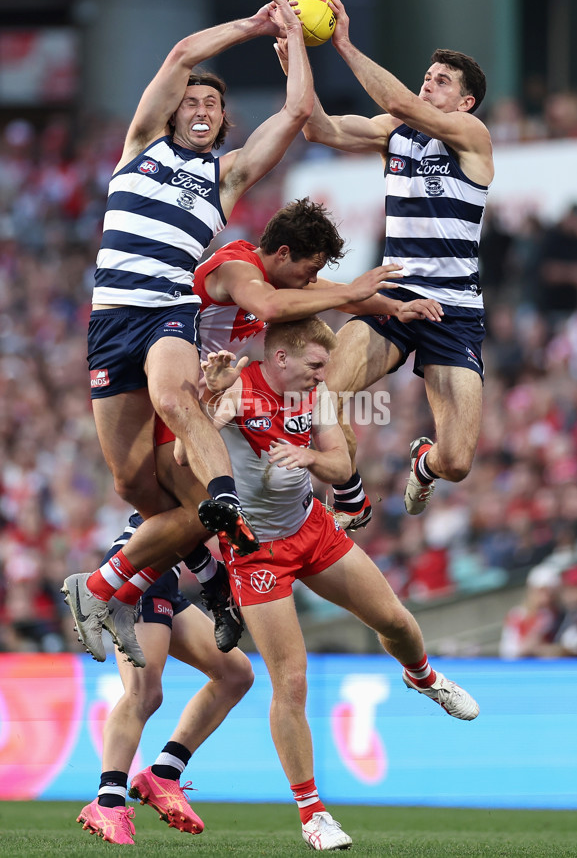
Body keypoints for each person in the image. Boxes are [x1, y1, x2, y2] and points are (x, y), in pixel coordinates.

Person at [61, 0, 318, 664]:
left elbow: (294, 115)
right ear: (175, 112)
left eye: (214, 104)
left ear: (223, 122)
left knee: (176, 395)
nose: (202, 108)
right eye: (195, 101)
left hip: (168, 308)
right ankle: (202, 575)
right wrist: (254, 24)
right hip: (113, 315)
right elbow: (178, 55)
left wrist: (295, 41)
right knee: (133, 485)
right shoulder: (139, 145)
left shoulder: (223, 178)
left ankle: (223, 504)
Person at [69, 198, 443, 668]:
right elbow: (275, 302)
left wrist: (394, 306)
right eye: (309, 270)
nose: (311, 281)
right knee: (200, 513)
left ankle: (166, 587)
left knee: (327, 423)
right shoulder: (236, 269)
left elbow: (339, 295)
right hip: (190, 401)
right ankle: (106, 587)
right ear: (282, 254)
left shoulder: (281, 280)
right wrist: (350, 292)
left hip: (227, 400)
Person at [202, 317, 479, 851]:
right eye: (316, 365)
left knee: (395, 620)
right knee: (292, 681)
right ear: (281, 357)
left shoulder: (316, 395)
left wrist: (309, 456)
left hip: (311, 528)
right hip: (256, 551)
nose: (325, 375)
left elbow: (338, 459)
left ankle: (422, 677)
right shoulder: (235, 385)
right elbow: (187, 447)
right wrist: (211, 407)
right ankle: (313, 815)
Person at [277, 0, 493, 525]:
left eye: (443, 80)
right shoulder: (394, 134)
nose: (428, 82)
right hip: (394, 296)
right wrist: (297, 60)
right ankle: (346, 496)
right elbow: (317, 128)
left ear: (466, 102)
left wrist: (343, 43)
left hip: (454, 312)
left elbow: (400, 102)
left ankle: (424, 463)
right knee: (322, 396)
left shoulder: (471, 136)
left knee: (458, 462)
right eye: (428, 75)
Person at [77, 514, 254, 845]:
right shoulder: (198, 463)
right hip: (138, 567)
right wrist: (212, 576)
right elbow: (182, 515)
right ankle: (107, 801)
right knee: (143, 693)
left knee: (236, 674)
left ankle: (163, 774)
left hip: (163, 572)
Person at [499, 563, 562, 659]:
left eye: (550, 592)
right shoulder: (516, 614)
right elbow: (508, 650)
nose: (546, 597)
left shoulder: (558, 615)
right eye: (541, 591)